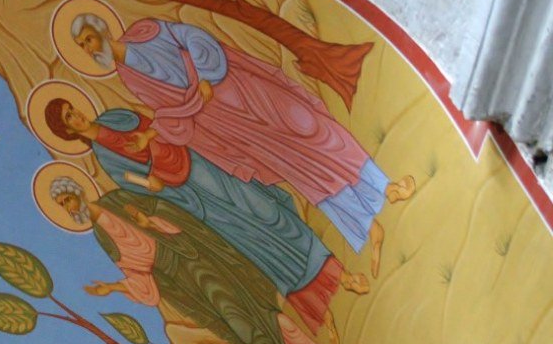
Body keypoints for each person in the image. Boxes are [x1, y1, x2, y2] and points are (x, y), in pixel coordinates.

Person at [69, 14, 412, 265]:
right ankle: (365, 222)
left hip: (235, 85)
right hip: (221, 121)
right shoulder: (128, 77)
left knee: (308, 125)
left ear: (100, 27)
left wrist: (204, 76)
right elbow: (168, 109)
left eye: (88, 37)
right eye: (83, 46)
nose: (89, 46)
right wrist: (149, 135)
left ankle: (382, 186)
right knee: (293, 163)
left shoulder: (145, 31)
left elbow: (192, 36)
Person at [44, 97, 363, 330]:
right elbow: (131, 180)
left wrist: (151, 139)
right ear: (69, 132)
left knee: (263, 208)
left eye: (72, 110)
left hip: (196, 163)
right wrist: (150, 181)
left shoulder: (115, 116)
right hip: (186, 195)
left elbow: (155, 126)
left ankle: (335, 269)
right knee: (247, 238)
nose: (76, 117)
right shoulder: (104, 157)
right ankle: (313, 296)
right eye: (69, 119)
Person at [49, 177, 330, 344]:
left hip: (190, 257)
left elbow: (169, 212)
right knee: (240, 328)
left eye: (66, 200)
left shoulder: (118, 200)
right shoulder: (102, 237)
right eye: (63, 206)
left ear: (77, 191)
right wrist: (111, 288)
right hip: (176, 281)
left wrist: (151, 222)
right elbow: (137, 272)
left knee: (246, 311)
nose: (69, 207)